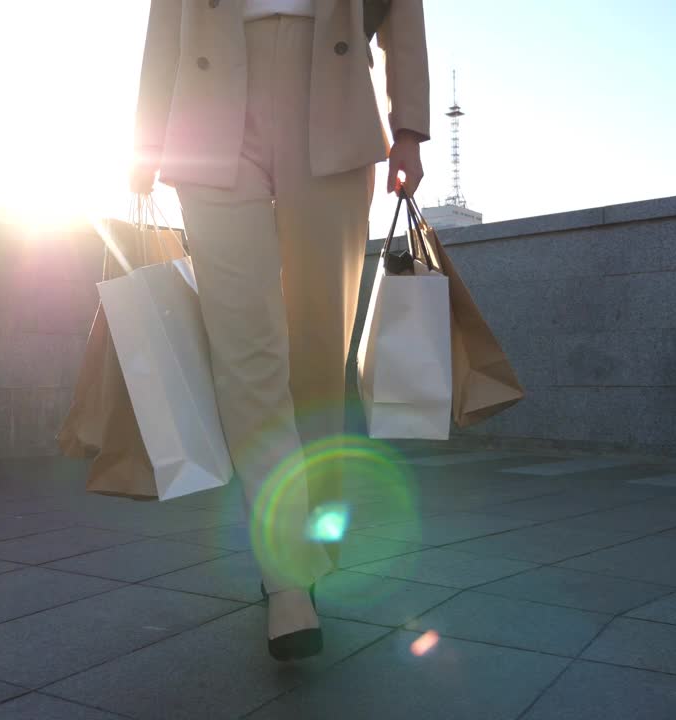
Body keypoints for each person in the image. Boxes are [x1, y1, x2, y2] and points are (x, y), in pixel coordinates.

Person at [129, 0, 429, 661]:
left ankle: (304, 542)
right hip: (209, 104)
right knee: (245, 354)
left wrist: (408, 123)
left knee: (319, 352)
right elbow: (164, 16)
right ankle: (287, 571)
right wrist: (146, 136)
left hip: (332, 85)